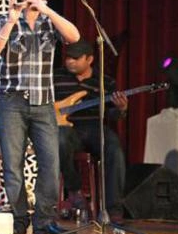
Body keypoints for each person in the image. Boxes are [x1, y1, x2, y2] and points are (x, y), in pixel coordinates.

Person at [0, 0, 80, 234]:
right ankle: (19, 218)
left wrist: (47, 10)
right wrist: (11, 19)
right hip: (11, 103)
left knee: (50, 163)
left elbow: (74, 37)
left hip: (43, 103)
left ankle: (44, 220)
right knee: (13, 164)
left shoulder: (50, 22)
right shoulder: (3, 19)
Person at [55, 39, 128, 223]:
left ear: (89, 59)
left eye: (75, 58)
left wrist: (121, 109)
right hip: (67, 129)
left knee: (114, 149)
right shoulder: (55, 78)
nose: (70, 61)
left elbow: (112, 114)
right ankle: (74, 190)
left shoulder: (105, 82)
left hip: (95, 127)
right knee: (59, 140)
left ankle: (113, 209)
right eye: (68, 58)